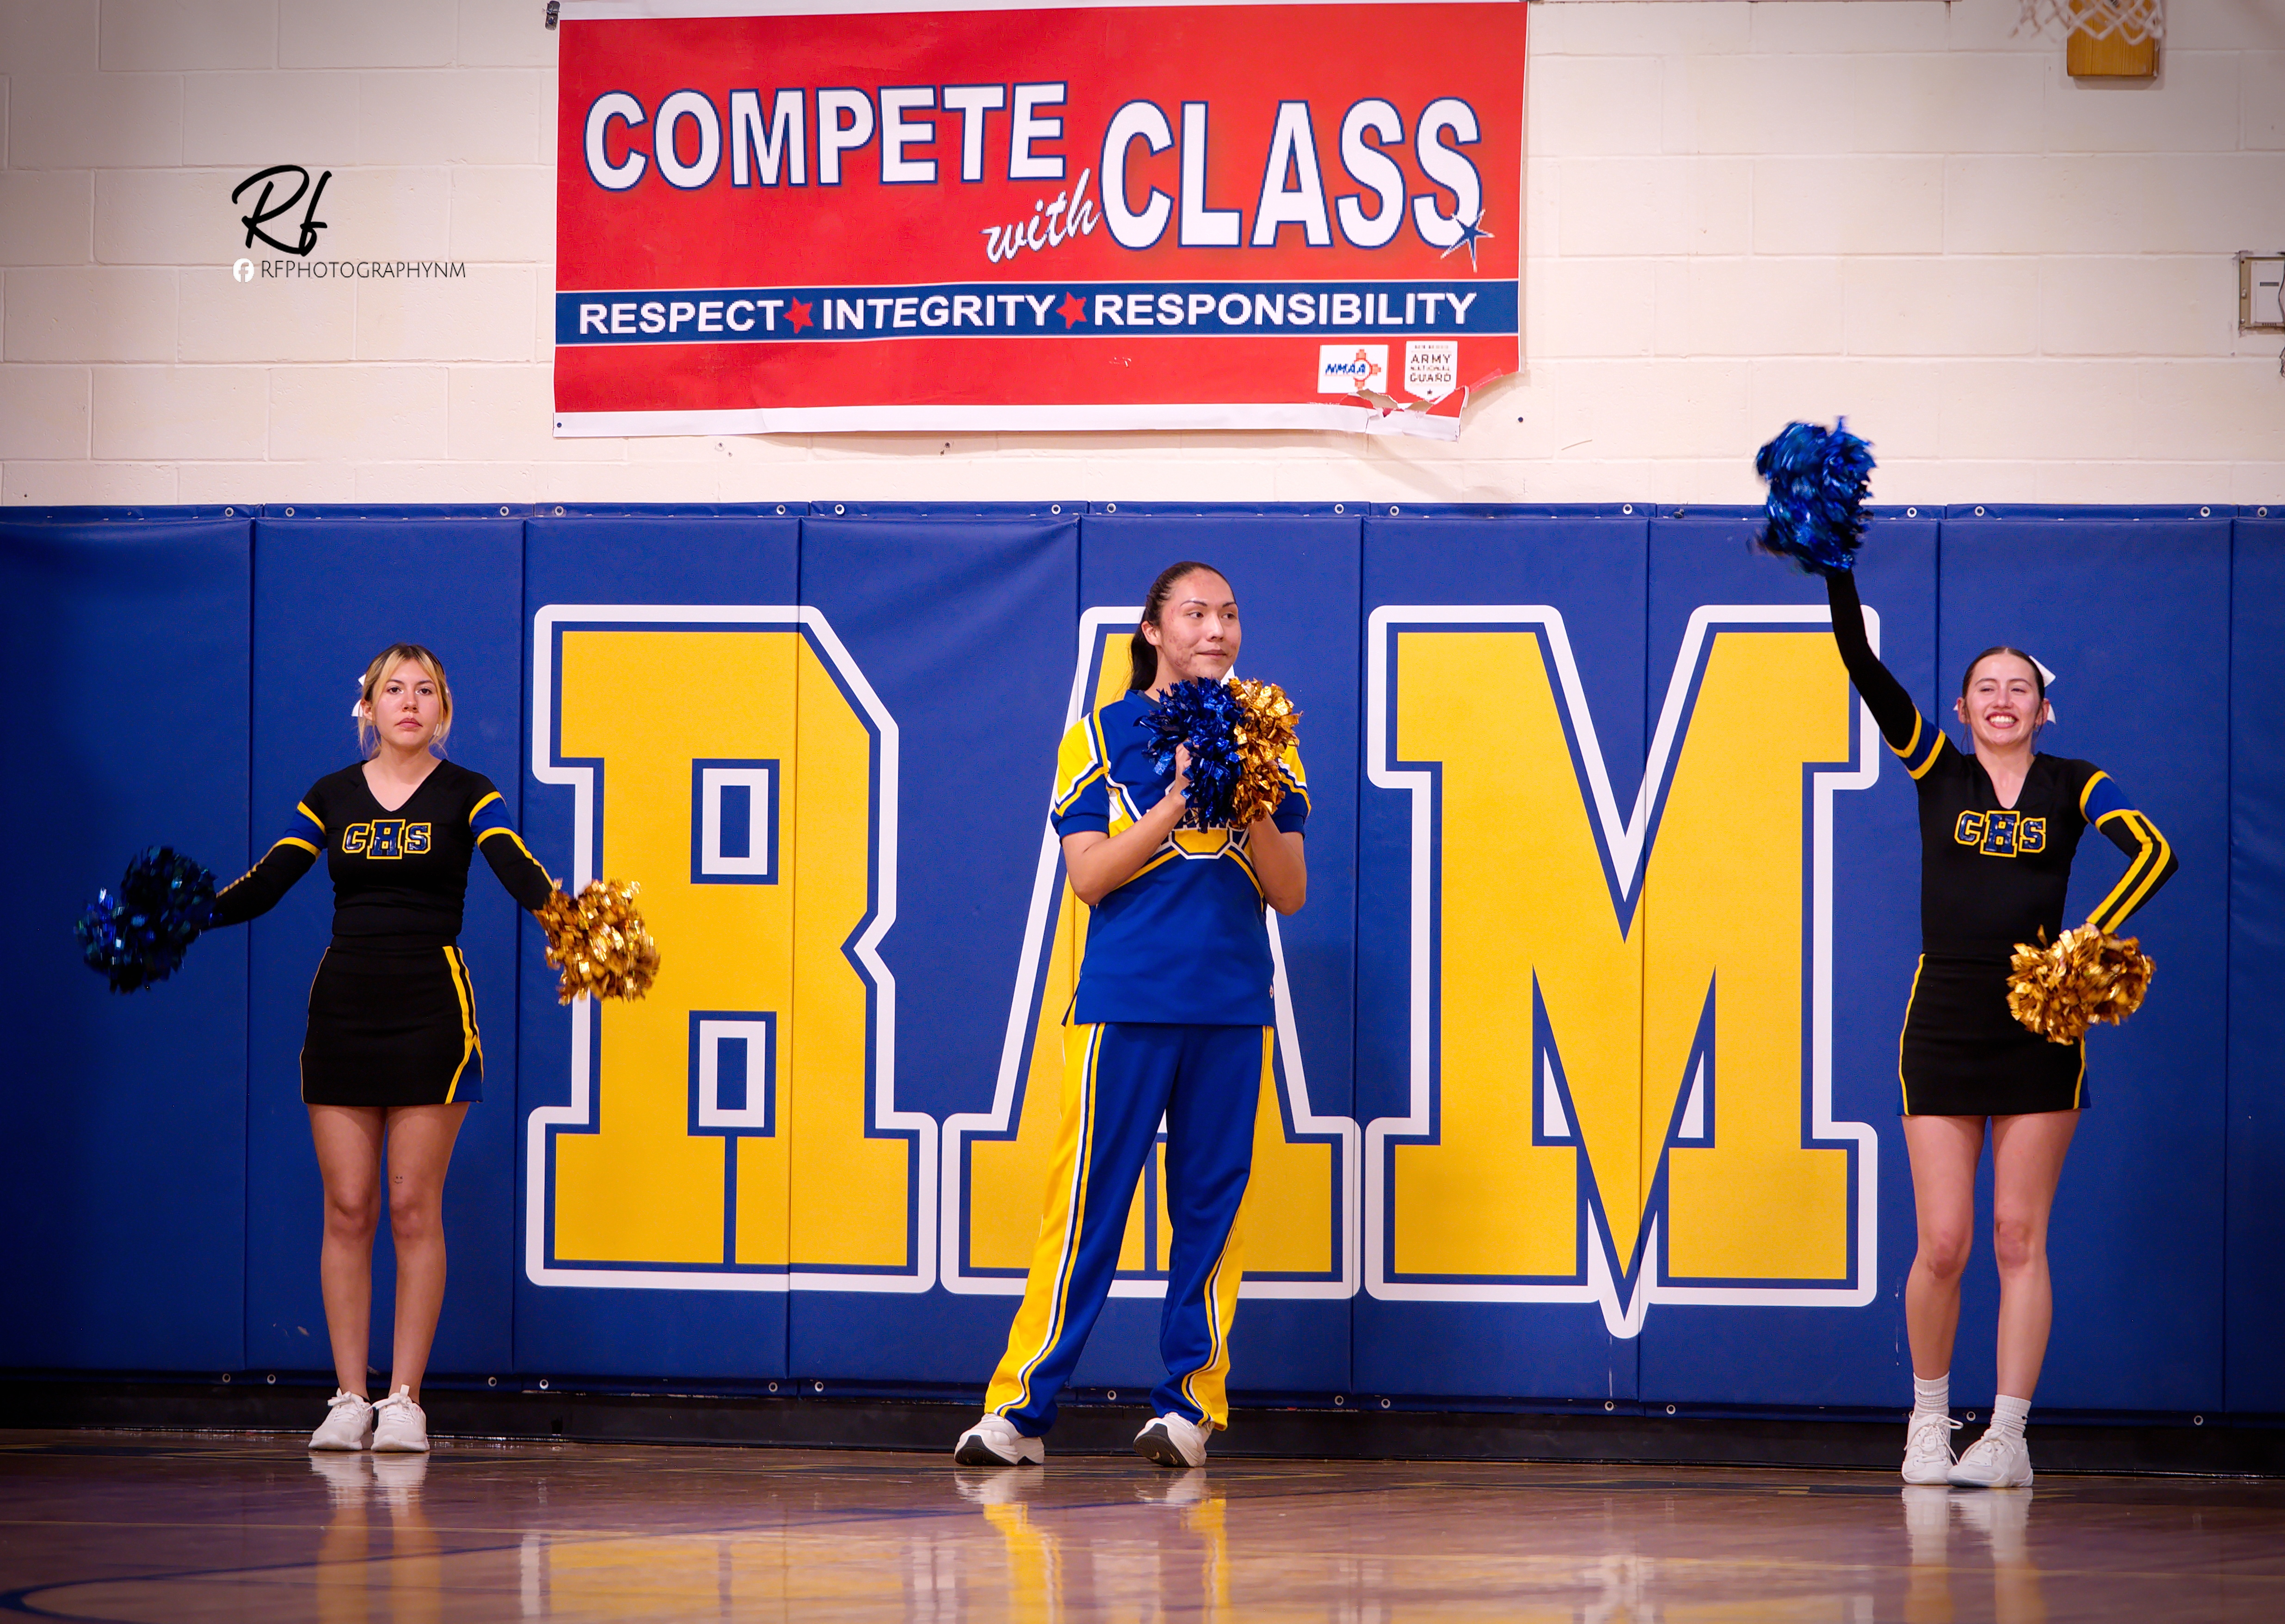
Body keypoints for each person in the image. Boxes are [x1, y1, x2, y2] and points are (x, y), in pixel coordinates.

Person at [1823, 570, 2175, 1489]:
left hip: (2040, 1022)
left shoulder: (2073, 782)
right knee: (1941, 1241)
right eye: (1986, 686)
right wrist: (1836, 572)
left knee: (2018, 1237)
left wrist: (2081, 942)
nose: (2002, 699)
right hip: (1939, 1019)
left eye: (2019, 687)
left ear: (2041, 707)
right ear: (1960, 706)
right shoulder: (1934, 767)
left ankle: (2009, 1437)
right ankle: (1927, 1422)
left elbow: (2153, 850)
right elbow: (1861, 664)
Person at [955, 562, 1309, 1470]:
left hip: (1230, 1012)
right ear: (1153, 630)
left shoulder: (1265, 737)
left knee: (1209, 1214)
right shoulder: (1097, 737)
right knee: (1083, 1213)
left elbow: (1289, 890)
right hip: (1123, 1007)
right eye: (1194, 613)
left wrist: (1250, 794)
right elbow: (1088, 876)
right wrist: (1179, 797)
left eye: (1229, 614)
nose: (1216, 629)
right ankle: (1020, 1412)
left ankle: (1188, 1410)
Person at [205, 643, 558, 1454]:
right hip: (343, 1008)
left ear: (443, 708)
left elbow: (513, 864)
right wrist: (188, 913)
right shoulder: (330, 797)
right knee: (348, 1207)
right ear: (367, 707)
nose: (409, 702)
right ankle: (348, 1396)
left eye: (425, 690)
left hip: (433, 1009)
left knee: (410, 1207)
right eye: (392, 690)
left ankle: (404, 1400)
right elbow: (267, 881)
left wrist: (567, 917)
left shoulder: (472, 794)